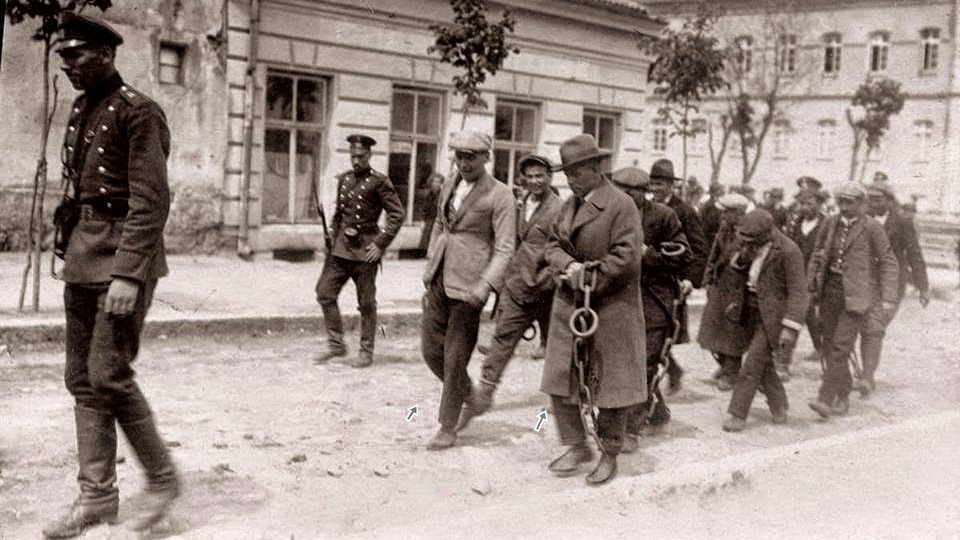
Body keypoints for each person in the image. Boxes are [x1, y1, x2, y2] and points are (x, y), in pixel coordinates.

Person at [44, 14, 179, 538]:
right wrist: (66, 241)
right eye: (63, 56)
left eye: (75, 55)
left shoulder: (138, 112)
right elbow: (79, 187)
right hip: (84, 253)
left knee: (108, 374)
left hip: (123, 258)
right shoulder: (83, 107)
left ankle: (163, 480)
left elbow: (151, 200)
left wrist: (128, 274)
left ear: (105, 54)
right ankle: (97, 498)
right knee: (80, 379)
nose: (67, 65)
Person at [540, 135, 645, 485]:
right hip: (569, 306)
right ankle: (576, 445)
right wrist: (568, 266)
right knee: (560, 378)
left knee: (609, 386)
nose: (570, 180)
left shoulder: (621, 205)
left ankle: (609, 452)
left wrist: (585, 276)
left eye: (577, 172)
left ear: (596, 168)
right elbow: (552, 246)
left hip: (610, 309)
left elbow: (626, 258)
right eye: (567, 173)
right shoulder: (568, 206)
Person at [420, 131, 516, 450]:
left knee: (454, 358)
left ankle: (447, 427)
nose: (464, 163)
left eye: (471, 157)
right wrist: (431, 262)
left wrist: (485, 285)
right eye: (459, 156)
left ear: (487, 157)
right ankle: (472, 395)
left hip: (470, 286)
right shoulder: (450, 184)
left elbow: (505, 248)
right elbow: (439, 224)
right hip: (439, 277)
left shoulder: (500, 194)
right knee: (430, 351)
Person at [456, 155, 562, 429]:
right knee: (502, 340)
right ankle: (483, 394)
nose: (535, 181)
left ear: (550, 177)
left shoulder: (560, 209)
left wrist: (549, 278)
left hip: (548, 292)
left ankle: (560, 397)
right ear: (523, 179)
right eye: (530, 176)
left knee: (558, 345)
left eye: (540, 176)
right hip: (517, 288)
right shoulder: (519, 204)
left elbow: (564, 249)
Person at [610, 167, 691, 451]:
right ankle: (658, 413)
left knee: (644, 365)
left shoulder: (663, 216)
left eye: (628, 192)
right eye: (618, 190)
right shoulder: (609, 215)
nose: (622, 196)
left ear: (642, 192)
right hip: (619, 301)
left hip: (655, 301)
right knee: (626, 365)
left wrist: (648, 254)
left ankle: (632, 429)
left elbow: (683, 254)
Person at [807, 184, 899, 419]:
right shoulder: (830, 222)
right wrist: (811, 284)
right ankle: (843, 393)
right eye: (841, 202)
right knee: (829, 346)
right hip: (829, 292)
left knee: (841, 347)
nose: (844, 207)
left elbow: (888, 261)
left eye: (849, 202)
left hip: (858, 297)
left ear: (862, 203)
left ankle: (825, 399)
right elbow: (817, 253)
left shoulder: (872, 227)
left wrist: (888, 297)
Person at [314, 135, 405, 368]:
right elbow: (340, 213)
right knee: (324, 292)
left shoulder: (379, 182)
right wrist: (332, 234)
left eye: (361, 157)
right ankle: (336, 344)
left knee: (366, 303)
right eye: (353, 156)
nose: (356, 161)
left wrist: (380, 243)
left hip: (365, 252)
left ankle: (366, 351)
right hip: (341, 249)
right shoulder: (345, 179)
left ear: (369, 155)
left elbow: (397, 214)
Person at [721, 210, 809, 432]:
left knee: (751, 364)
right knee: (764, 364)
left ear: (768, 233)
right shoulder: (748, 244)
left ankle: (737, 413)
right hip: (748, 309)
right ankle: (779, 404)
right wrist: (742, 258)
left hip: (773, 317)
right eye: (744, 239)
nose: (746, 243)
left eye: (752, 240)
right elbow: (735, 270)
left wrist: (790, 327)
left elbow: (799, 291)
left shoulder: (789, 250)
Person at [859, 179, 929, 395]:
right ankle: (866, 373)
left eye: (878, 199)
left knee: (874, 328)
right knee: (866, 328)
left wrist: (923, 286)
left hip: (891, 284)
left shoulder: (902, 222)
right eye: (870, 199)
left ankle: (867, 376)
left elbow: (914, 253)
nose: (873, 203)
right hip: (865, 282)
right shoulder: (862, 218)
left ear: (890, 200)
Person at [646, 159, 708, 394]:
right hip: (651, 279)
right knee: (654, 330)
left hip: (674, 281)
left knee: (660, 330)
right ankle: (672, 370)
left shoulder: (685, 211)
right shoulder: (647, 208)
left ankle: (668, 373)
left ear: (670, 186)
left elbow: (699, 249)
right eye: (652, 183)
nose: (655, 188)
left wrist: (690, 279)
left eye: (660, 184)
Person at [698, 193, 751, 390]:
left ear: (739, 213)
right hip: (720, 285)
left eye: (727, 212)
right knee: (713, 330)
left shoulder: (749, 230)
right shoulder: (724, 228)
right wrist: (708, 279)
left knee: (733, 333)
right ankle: (723, 365)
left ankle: (731, 373)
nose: (722, 216)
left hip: (739, 289)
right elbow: (714, 254)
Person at [784, 188, 828, 361]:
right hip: (794, 275)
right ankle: (820, 347)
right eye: (801, 203)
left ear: (820, 204)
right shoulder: (795, 223)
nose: (804, 208)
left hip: (814, 277)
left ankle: (784, 359)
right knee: (804, 312)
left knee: (799, 313)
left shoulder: (827, 224)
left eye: (809, 204)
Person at [700, 182, 726, 251]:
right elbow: (711, 222)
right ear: (715, 192)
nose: (723, 192)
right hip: (709, 236)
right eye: (721, 190)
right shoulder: (712, 205)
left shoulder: (710, 203)